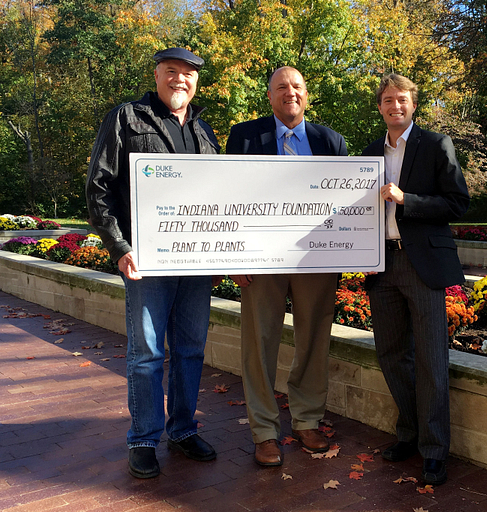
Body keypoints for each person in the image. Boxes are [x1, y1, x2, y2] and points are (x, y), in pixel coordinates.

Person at [85, 48, 220, 479]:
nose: (180, 79)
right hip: (146, 261)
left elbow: (222, 198)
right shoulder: (127, 118)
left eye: (188, 74)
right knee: (146, 353)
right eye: (171, 72)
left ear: (196, 81)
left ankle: (183, 429)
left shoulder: (205, 131)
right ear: (157, 75)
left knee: (190, 350)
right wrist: (119, 246)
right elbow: (98, 188)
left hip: (197, 265)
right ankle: (144, 437)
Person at [226, 66, 348, 467]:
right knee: (258, 342)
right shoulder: (245, 136)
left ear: (306, 94)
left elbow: (346, 205)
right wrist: (233, 257)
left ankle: (307, 419)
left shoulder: (331, 141)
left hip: (315, 259)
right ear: (270, 96)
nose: (289, 93)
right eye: (281, 87)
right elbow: (229, 198)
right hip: (260, 258)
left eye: (296, 86)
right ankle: (264, 431)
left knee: (314, 337)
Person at [362, 73, 469, 486]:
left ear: (413, 104)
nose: (395, 106)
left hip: (422, 264)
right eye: (388, 100)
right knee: (391, 354)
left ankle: (435, 450)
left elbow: (457, 202)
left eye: (402, 99)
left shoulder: (437, 144)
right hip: (381, 264)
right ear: (380, 107)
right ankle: (409, 433)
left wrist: (409, 200)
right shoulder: (369, 154)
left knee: (429, 359)